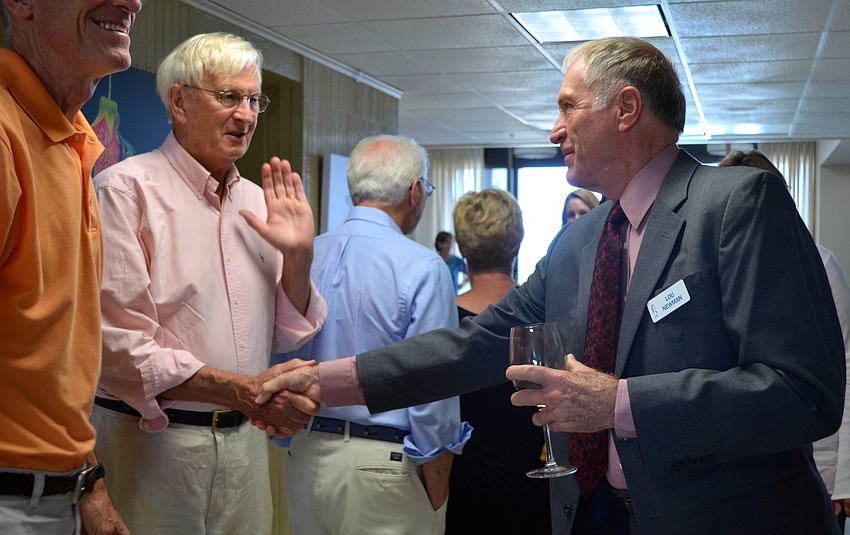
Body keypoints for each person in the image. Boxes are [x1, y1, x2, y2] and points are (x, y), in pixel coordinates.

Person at [259, 37, 844, 535]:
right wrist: (324, 379)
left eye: (568, 106)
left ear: (626, 108)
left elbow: (803, 393)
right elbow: (474, 344)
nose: (554, 128)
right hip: (590, 514)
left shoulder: (737, 204)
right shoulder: (577, 241)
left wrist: (619, 403)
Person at [90, 32, 327, 534]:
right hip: (150, 447)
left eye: (254, 100)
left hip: (246, 448)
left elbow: (288, 335)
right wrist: (241, 390)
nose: (246, 115)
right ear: (179, 102)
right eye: (228, 97)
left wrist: (299, 258)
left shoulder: (258, 202)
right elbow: (119, 345)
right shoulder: (125, 190)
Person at [272, 135, 470, 535]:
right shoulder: (424, 267)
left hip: (305, 458)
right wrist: (437, 486)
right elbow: (432, 388)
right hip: (384, 467)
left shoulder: (303, 255)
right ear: (415, 191)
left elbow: (280, 357)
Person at [1, 1, 143, 533]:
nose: (132, 1)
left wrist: (88, 481)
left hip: (55, 495)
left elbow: (49, 362)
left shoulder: (73, 138)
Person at [719, 149, 850, 528]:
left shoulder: (819, 262)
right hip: (739, 470)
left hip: (815, 462)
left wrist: (842, 476)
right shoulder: (716, 266)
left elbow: (845, 361)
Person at [443, 189, 549, 534]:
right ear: (517, 244)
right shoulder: (544, 316)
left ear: (463, 248)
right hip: (536, 482)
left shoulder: (445, 320)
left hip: (463, 485)